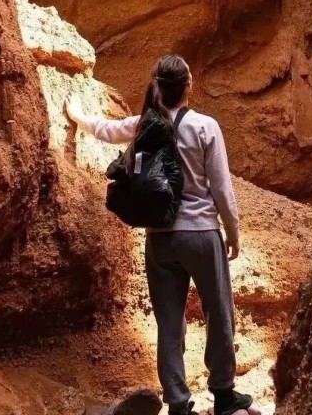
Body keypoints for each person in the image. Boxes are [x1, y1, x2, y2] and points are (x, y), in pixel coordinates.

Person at [66, 54, 254, 415]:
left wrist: (76, 116)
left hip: (160, 238)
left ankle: (178, 403)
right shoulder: (205, 127)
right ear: (188, 85)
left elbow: (107, 130)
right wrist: (233, 232)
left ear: (158, 87)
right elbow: (221, 187)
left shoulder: (146, 123)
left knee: (169, 321)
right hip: (201, 233)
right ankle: (224, 394)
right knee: (219, 311)